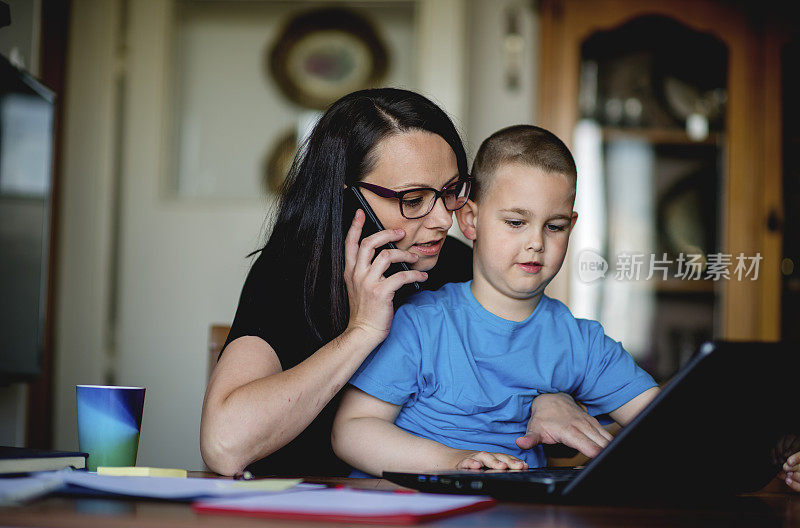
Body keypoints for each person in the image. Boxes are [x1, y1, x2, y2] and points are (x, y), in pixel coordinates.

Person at [200, 90, 605, 477]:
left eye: (451, 192)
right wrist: (362, 331)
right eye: (413, 200)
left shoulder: (463, 267)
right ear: (348, 196)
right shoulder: (290, 271)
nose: (444, 220)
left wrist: (552, 398)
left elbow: (542, 353)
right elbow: (225, 446)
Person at [332, 125, 661, 476]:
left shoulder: (584, 344)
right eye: (516, 222)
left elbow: (667, 426)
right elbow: (352, 430)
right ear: (471, 220)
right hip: (411, 510)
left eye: (555, 226)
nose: (536, 242)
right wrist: (453, 462)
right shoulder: (421, 322)